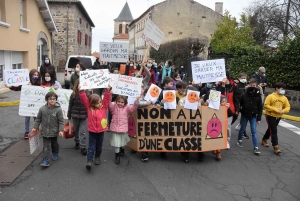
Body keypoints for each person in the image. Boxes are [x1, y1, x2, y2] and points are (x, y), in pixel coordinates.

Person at [79, 84, 111, 171]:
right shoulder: (89, 108)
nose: (99, 104)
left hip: (101, 131)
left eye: (100, 102)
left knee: (99, 145)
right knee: (91, 146)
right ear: (92, 103)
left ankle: (97, 157)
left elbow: (107, 99)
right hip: (92, 131)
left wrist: (107, 91)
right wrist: (81, 91)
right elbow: (84, 99)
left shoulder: (104, 107)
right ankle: (89, 160)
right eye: (97, 103)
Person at [32, 92, 64, 167]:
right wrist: (35, 127)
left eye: (54, 99)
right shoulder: (42, 109)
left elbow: (61, 121)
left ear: (56, 100)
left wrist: (61, 130)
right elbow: (38, 119)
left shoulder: (58, 110)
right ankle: (45, 160)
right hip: (45, 131)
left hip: (54, 131)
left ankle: (55, 152)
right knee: (46, 146)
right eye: (50, 99)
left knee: (54, 144)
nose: (52, 100)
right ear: (46, 100)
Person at [6, 69, 41, 139]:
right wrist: (10, 87)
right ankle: (27, 132)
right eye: (34, 75)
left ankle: (36, 130)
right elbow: (18, 88)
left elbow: (42, 90)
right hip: (27, 103)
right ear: (31, 75)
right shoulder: (26, 82)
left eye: (37, 75)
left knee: (36, 118)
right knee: (27, 118)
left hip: (35, 103)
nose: (36, 76)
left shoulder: (39, 83)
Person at [108, 95, 139, 164]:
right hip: (115, 129)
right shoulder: (113, 107)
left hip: (123, 128)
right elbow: (109, 104)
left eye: (122, 102)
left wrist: (136, 101)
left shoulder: (127, 108)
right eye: (118, 101)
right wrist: (109, 94)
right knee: (117, 144)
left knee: (122, 143)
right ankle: (117, 156)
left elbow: (133, 109)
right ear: (116, 101)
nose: (120, 103)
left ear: (125, 103)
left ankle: (122, 149)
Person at [236, 78, 263, 155]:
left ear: (257, 86)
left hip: (253, 116)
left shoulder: (258, 96)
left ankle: (256, 147)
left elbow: (260, 107)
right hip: (245, 115)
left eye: (254, 85)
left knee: (254, 131)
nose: (252, 87)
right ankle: (239, 140)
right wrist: (240, 110)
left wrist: (259, 118)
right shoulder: (244, 95)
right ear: (248, 85)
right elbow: (240, 103)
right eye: (251, 85)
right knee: (242, 128)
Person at [262, 82, 290, 154]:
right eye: (282, 89)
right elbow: (266, 105)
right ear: (277, 88)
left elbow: (288, 107)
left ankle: (264, 139)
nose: (283, 90)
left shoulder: (284, 98)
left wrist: (283, 110)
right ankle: (276, 146)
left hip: (279, 116)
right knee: (274, 130)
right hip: (270, 115)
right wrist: (275, 109)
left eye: (284, 89)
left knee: (271, 128)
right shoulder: (270, 96)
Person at [67, 79, 88, 155]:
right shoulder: (73, 94)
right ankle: (77, 141)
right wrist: (69, 115)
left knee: (83, 131)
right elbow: (70, 105)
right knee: (76, 130)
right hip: (75, 115)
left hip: (84, 115)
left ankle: (83, 147)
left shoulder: (87, 94)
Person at [234, 72, 250, 139]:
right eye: (242, 78)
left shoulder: (247, 85)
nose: (244, 79)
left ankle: (243, 132)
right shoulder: (236, 85)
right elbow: (236, 97)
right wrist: (237, 107)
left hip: (244, 105)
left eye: (245, 78)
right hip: (237, 104)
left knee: (244, 119)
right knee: (234, 117)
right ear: (239, 78)